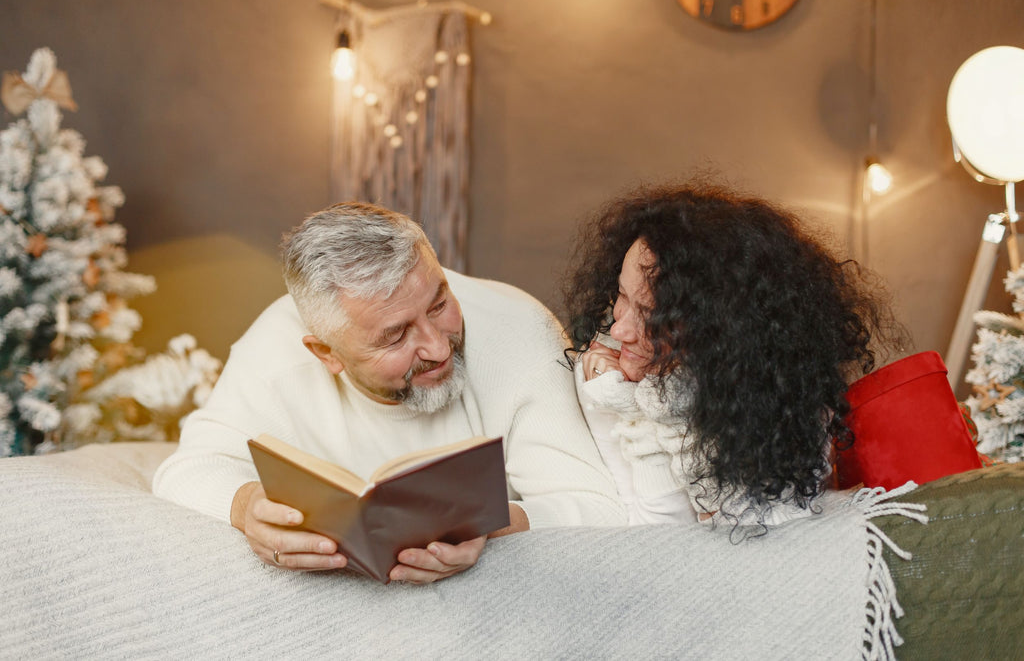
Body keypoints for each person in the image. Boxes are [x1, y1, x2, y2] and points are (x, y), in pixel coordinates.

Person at [153, 202, 625, 583]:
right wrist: (244, 506)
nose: (439, 348)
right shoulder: (273, 350)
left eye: (439, 304)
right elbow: (189, 467)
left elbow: (599, 509)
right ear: (326, 353)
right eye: (396, 337)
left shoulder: (521, 332)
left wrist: (496, 525)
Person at [563, 182, 904, 532]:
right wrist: (634, 412)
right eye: (622, 296)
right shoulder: (603, 375)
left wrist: (664, 413)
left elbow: (751, 536)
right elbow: (653, 537)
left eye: (652, 316)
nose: (620, 331)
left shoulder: (780, 395)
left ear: (719, 331)